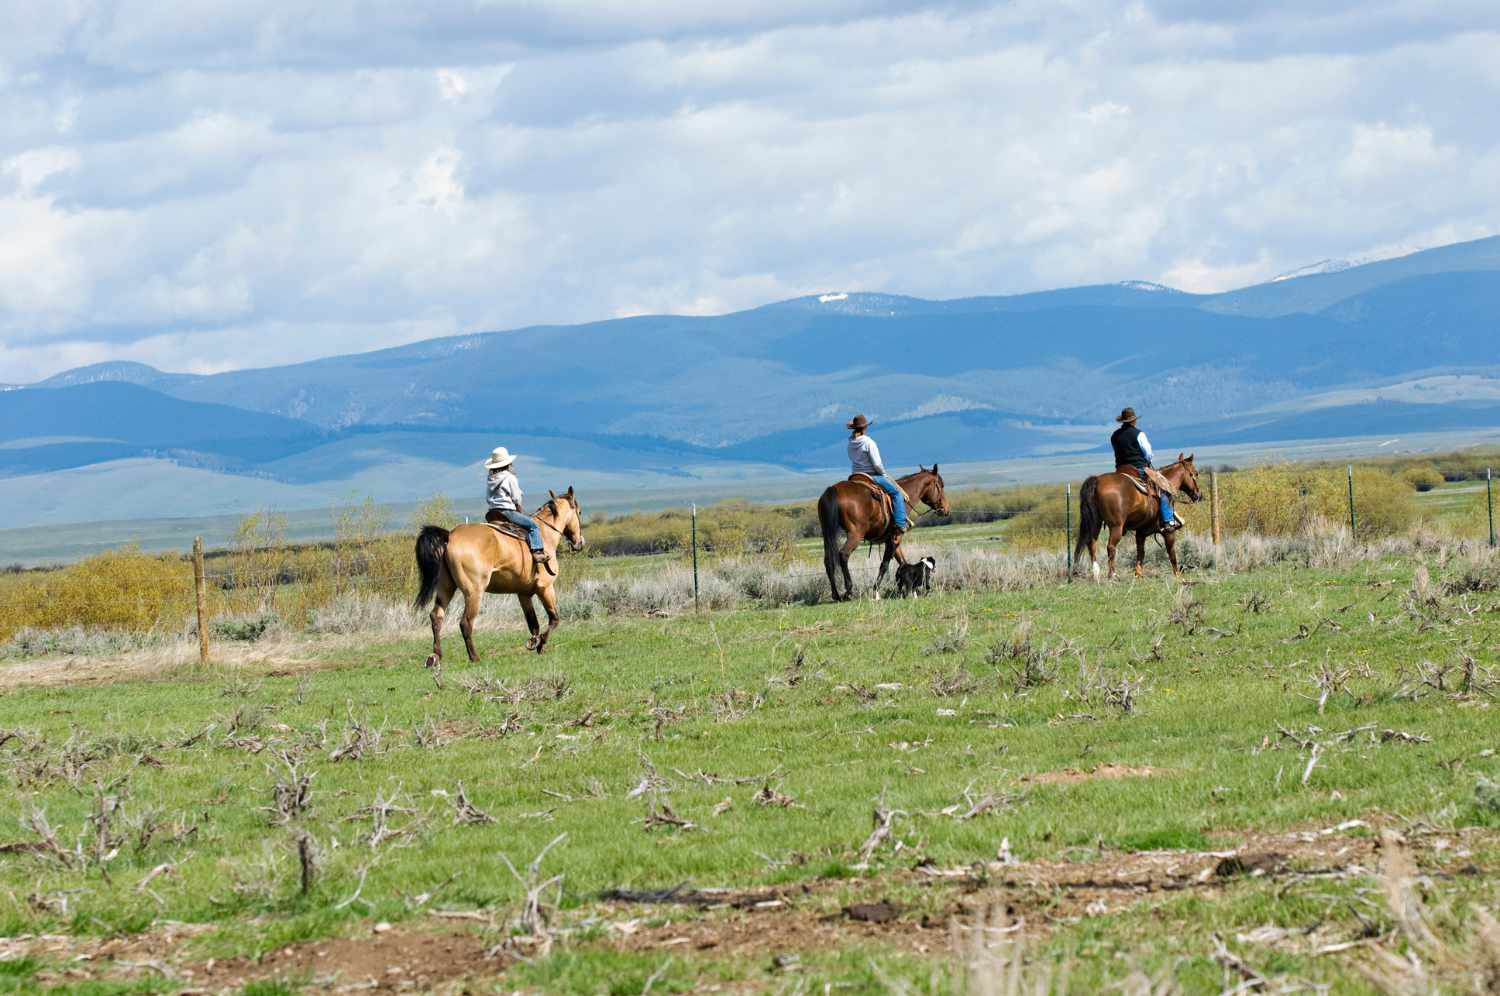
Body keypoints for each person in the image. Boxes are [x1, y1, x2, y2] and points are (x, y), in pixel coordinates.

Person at [1110, 408, 1182, 532]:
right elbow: (1148, 454)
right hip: (1138, 469)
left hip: (1120, 471)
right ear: (1133, 421)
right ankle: (1168, 521)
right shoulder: (1139, 434)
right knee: (1163, 489)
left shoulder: (1114, 436)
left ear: (1123, 421)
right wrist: (1146, 460)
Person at [483, 446, 551, 572]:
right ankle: (537, 552)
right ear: (507, 464)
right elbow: (517, 497)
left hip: (492, 513)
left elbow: (488, 498)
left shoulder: (490, 479)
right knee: (533, 526)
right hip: (507, 512)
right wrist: (519, 507)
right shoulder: (509, 477)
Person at [846, 414, 908, 537]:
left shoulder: (850, 443)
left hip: (856, 476)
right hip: (872, 476)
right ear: (865, 428)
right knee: (897, 493)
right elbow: (877, 464)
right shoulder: (869, 442)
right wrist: (883, 474)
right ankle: (901, 524)